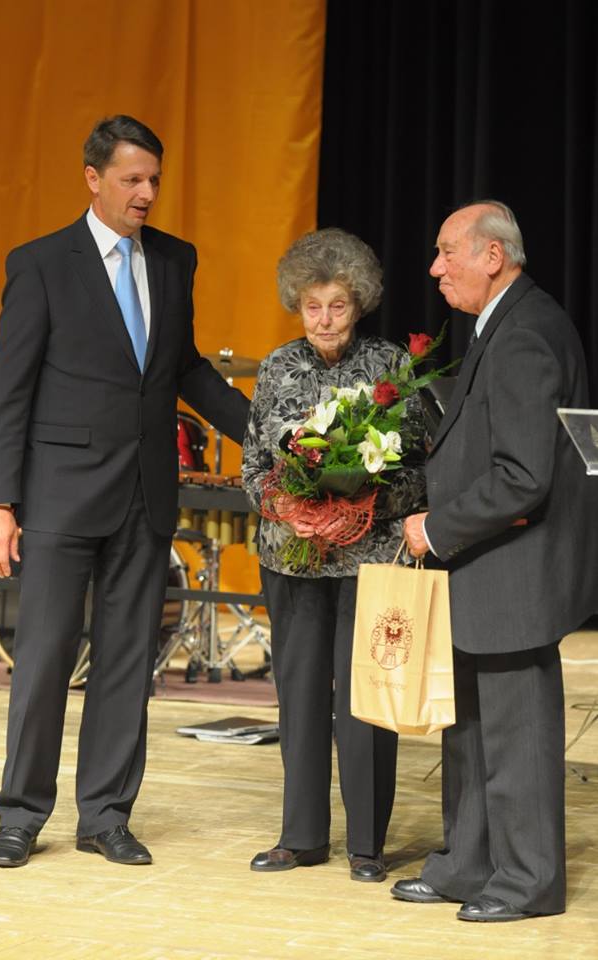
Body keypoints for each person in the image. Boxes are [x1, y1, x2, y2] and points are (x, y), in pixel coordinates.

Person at [0, 115, 249, 868]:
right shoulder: (40, 264)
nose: (147, 193)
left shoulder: (174, 260)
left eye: (154, 179)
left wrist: (261, 430)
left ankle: (105, 816)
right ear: (93, 178)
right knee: (44, 660)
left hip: (144, 494)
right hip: (60, 495)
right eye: (132, 179)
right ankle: (21, 814)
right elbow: (9, 391)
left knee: (128, 664)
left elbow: (183, 367)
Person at [394, 200, 598, 921]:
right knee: (472, 729)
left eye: (447, 252)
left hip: (513, 567)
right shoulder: (505, 321)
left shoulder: (524, 334)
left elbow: (522, 475)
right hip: (489, 564)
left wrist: (434, 527)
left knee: (516, 734)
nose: (435, 268)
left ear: (492, 255)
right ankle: (467, 865)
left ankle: (527, 881)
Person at [242, 228, 426, 883]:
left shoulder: (388, 366)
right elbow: (253, 467)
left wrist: (364, 504)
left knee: (365, 700)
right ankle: (300, 837)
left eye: (337, 306)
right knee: (297, 696)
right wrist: (283, 505)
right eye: (312, 306)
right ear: (297, 304)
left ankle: (366, 845)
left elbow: (417, 469)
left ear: (359, 303)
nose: (323, 319)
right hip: (291, 559)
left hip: (368, 558)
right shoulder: (276, 366)